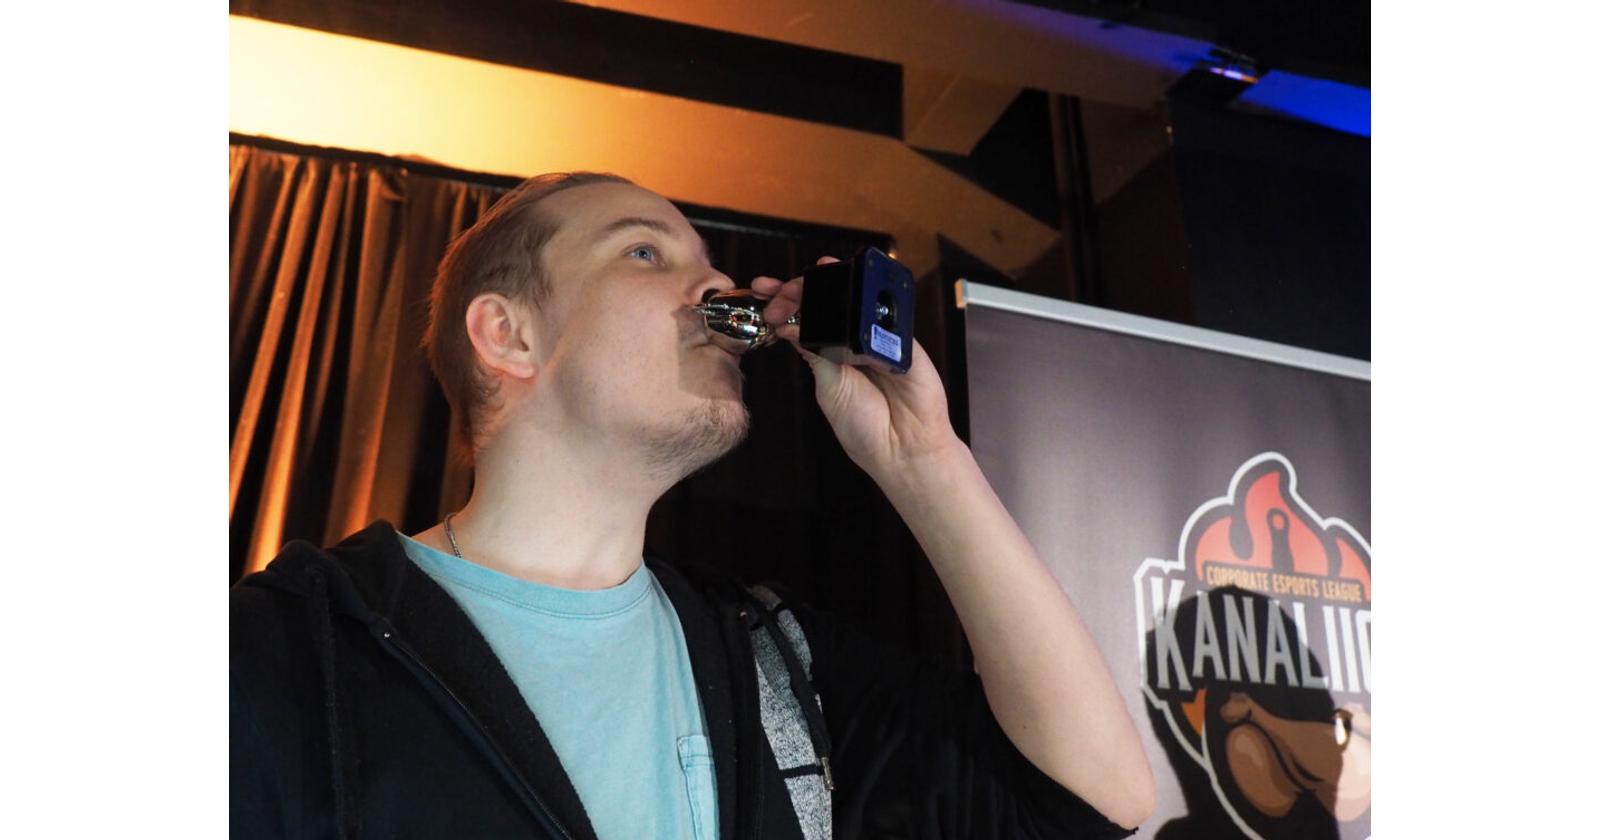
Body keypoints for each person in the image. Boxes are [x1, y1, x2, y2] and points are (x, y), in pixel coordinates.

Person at [230, 172, 1157, 839]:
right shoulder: (287, 648)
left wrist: (924, 459)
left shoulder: (767, 656)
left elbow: (1095, 796)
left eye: (711, 265)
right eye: (644, 251)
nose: (719, 288)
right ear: (508, 335)